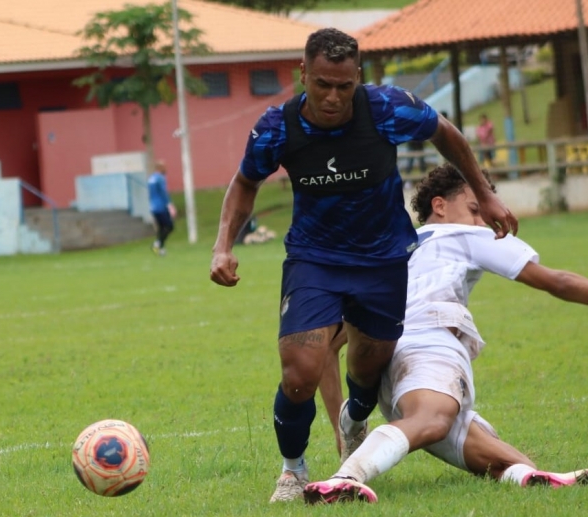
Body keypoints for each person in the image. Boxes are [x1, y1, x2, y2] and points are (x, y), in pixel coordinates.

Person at [208, 28, 518, 503]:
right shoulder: (277, 127)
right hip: (316, 260)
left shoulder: (388, 108)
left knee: (369, 370)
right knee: (300, 373)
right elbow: (245, 182)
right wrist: (223, 245)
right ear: (303, 74)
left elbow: (446, 133)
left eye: (344, 86)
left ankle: (355, 416)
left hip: (383, 261)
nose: (333, 97)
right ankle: (292, 471)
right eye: (322, 84)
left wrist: (485, 193)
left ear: (358, 78)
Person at [304, 164, 588, 504]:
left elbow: (325, 347)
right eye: (475, 209)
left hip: (392, 374)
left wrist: (347, 424)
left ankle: (533, 476)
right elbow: (557, 281)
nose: (484, 221)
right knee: (433, 419)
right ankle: (345, 478)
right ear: (440, 205)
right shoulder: (462, 235)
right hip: (429, 345)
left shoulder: (394, 249)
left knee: (500, 460)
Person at [147, 159, 175, 256]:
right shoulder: (160, 178)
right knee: (169, 226)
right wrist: (169, 205)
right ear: (160, 168)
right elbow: (163, 192)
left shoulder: (151, 178)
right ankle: (157, 243)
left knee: (161, 228)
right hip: (161, 207)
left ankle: (160, 249)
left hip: (153, 207)